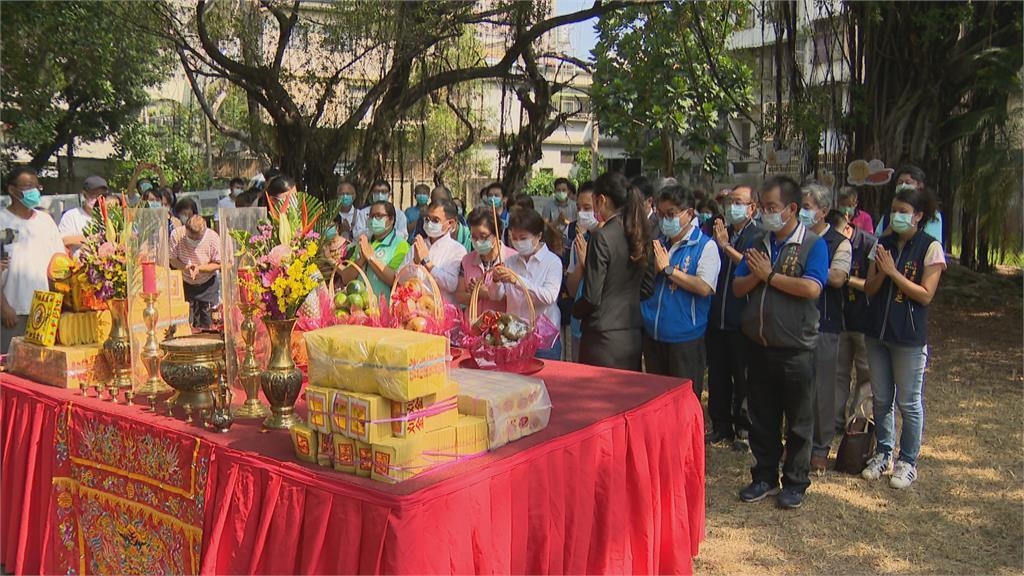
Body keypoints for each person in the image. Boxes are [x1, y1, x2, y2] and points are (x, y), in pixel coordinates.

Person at [733, 175, 828, 510]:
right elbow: (737, 286)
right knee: (763, 415)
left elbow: (813, 288)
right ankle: (764, 476)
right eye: (763, 207)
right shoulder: (759, 241)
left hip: (795, 348)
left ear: (791, 209)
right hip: (758, 344)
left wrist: (769, 277)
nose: (766, 214)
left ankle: (796, 482)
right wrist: (756, 276)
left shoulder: (813, 244)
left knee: (799, 420)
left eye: (772, 207)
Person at [861, 185, 945, 490]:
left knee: (909, 402)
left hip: (908, 338)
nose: (896, 217)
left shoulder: (930, 247)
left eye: (903, 212)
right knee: (882, 398)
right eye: (893, 211)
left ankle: (908, 461)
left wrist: (894, 273)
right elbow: (869, 287)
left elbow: (925, 295)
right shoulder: (881, 244)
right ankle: (883, 454)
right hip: (877, 334)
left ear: (918, 216)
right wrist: (882, 271)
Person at [641, 185, 721, 395]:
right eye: (661, 214)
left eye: (671, 214)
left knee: (684, 400)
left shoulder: (705, 246)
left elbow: (705, 287)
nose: (666, 220)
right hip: (654, 336)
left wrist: (669, 270)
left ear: (689, 214)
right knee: (656, 399)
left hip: (685, 339)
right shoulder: (659, 244)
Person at [799, 183, 853, 475]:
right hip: (795, 322)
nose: (804, 213)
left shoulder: (838, 242)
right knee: (798, 388)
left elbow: (837, 277)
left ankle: (821, 448)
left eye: (808, 207)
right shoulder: (794, 237)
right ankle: (800, 443)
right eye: (801, 207)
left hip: (825, 323)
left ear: (822, 211)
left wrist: (808, 270)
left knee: (823, 388)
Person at [572, 172, 648, 370]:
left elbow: (591, 296)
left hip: (602, 337)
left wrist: (575, 310)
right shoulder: (640, 233)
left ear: (602, 200)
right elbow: (647, 287)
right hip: (631, 332)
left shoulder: (602, 237)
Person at [706, 184, 763, 449]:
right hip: (717, 315)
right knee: (718, 374)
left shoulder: (758, 235)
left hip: (742, 318)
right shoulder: (721, 232)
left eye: (739, 202)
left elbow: (753, 266)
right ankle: (720, 425)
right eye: (730, 202)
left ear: (752, 208)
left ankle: (744, 428)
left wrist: (726, 247)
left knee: (743, 376)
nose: (733, 207)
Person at [0, 167, 66, 354]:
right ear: (12, 190)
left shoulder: (45, 221)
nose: (34, 191)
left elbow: (58, 266)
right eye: (28, 186)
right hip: (11, 313)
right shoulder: (2, 221)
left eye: (36, 186)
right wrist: (3, 306)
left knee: (37, 366)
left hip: (44, 312)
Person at [826, 208, 877, 436]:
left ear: (847, 227)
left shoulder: (868, 244)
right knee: (838, 372)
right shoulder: (827, 243)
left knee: (866, 374)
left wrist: (846, 278)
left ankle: (858, 423)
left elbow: (873, 284)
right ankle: (834, 420)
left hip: (865, 319)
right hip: (840, 320)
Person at [495, 208, 563, 360]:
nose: (518, 242)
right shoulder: (510, 261)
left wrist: (517, 280)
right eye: (514, 238)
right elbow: (497, 295)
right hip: (513, 338)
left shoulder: (552, 262)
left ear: (538, 236)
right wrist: (495, 281)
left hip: (543, 339)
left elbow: (549, 296)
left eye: (523, 238)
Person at [343, 201, 409, 301]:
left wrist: (371, 258)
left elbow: (395, 280)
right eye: (371, 216)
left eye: (378, 216)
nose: (373, 220)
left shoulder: (401, 245)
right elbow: (346, 278)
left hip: (384, 310)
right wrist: (361, 260)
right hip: (358, 309)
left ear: (391, 220)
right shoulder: (363, 242)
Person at [406, 199, 467, 304]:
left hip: (443, 314)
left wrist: (427, 263)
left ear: (450, 223)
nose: (429, 223)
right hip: (415, 315)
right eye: (427, 219)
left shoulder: (457, 250)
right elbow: (400, 279)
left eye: (435, 220)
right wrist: (415, 262)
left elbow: (452, 284)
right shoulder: (418, 245)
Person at [456, 207, 516, 314]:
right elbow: (460, 296)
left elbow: (519, 298)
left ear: (496, 234)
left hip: (502, 326)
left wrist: (489, 294)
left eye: (483, 236)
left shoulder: (513, 259)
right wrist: (476, 294)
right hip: (473, 325)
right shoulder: (467, 260)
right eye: (474, 237)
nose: (478, 242)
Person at [170, 215, 221, 330]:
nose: (193, 241)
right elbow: (172, 259)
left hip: (207, 284)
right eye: (190, 237)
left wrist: (199, 268)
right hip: (185, 283)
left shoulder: (213, 238)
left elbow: (218, 263)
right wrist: (185, 267)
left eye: (197, 239)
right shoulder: (177, 235)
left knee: (209, 324)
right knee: (186, 324)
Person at [564, 181, 596, 362]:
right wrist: (581, 264)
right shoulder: (579, 241)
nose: (582, 213)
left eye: (587, 208)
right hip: (579, 324)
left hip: (601, 328)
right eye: (579, 208)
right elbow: (572, 289)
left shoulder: (613, 241)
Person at [875, 165, 942, 241]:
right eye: (900, 182)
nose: (903, 186)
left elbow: (932, 243)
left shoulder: (932, 214)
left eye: (908, 182)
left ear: (920, 186)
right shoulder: (888, 213)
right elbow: (876, 240)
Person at [59, 175, 108, 254]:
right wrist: (89, 239)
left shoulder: (108, 217)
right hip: (77, 264)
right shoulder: (71, 215)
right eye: (93, 194)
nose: (97, 199)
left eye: (101, 195)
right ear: (84, 194)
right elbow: (63, 240)